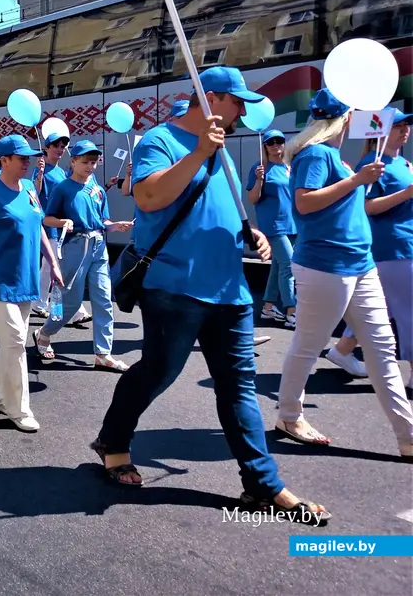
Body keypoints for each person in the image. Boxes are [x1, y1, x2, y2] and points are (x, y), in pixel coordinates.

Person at [92, 67, 329, 523]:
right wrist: (199, 150)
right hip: (174, 287)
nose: (242, 111)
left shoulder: (221, 153)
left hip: (231, 291)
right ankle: (114, 441)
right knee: (158, 372)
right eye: (236, 101)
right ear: (211, 97)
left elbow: (218, 212)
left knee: (238, 386)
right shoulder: (159, 140)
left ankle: (262, 484)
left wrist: (251, 236)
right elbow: (148, 197)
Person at [275, 90, 413, 458]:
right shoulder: (317, 154)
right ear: (345, 118)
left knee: (382, 348)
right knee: (307, 345)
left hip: (360, 262)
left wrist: (359, 179)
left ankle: (408, 436)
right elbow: (304, 202)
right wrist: (356, 180)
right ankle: (289, 415)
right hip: (326, 265)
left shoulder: (333, 155)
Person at [0, 134, 63, 431]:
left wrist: (53, 263)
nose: (27, 162)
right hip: (0, 280)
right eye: (21, 158)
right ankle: (20, 409)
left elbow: (39, 225)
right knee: (17, 341)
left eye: (28, 157)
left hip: (27, 278)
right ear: (4, 160)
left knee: (10, 344)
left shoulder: (30, 187)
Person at [329, 112, 413, 383]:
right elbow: (365, 208)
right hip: (392, 246)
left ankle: (342, 350)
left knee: (385, 306)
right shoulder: (372, 162)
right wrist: (407, 193)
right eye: (397, 126)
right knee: (407, 309)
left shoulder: (403, 163)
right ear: (381, 133)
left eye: (406, 126)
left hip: (405, 243)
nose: (404, 131)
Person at [34, 140, 132, 369]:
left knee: (104, 299)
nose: (90, 166)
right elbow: (47, 218)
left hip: (98, 246)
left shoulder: (97, 189)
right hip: (74, 246)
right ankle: (44, 333)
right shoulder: (63, 188)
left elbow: (103, 220)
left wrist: (115, 225)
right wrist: (63, 222)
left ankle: (103, 353)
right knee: (69, 302)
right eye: (86, 161)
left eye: (94, 162)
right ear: (74, 161)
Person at [246, 129, 297, 328]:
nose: (276, 146)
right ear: (265, 146)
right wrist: (259, 180)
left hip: (292, 223)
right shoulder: (260, 168)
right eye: (271, 143)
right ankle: (291, 311)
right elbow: (252, 199)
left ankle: (268, 306)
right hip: (273, 225)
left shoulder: (289, 167)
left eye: (279, 141)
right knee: (290, 265)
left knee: (278, 266)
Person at [31, 130, 70, 318]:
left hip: (62, 224)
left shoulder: (61, 171)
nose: (60, 149)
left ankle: (40, 303)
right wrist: (39, 173)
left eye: (63, 146)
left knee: (52, 265)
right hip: (48, 223)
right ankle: (42, 303)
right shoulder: (40, 169)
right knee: (50, 264)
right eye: (56, 145)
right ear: (46, 148)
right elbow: (35, 193)